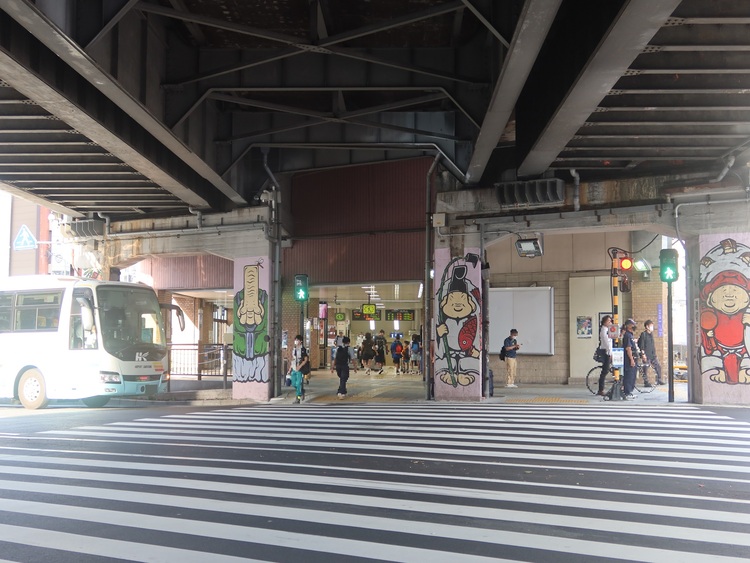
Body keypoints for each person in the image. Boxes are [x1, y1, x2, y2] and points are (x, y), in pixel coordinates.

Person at [638, 319, 664, 386]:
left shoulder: (651, 334)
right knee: (645, 368)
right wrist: (643, 354)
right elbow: (641, 346)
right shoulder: (643, 334)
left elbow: (652, 345)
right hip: (646, 355)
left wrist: (654, 354)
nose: (652, 327)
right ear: (647, 327)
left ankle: (659, 380)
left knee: (658, 366)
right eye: (651, 326)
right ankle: (646, 382)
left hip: (653, 355)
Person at [288, 334, 309, 403]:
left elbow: (305, 359)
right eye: (295, 340)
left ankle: (298, 398)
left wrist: (300, 366)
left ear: (301, 341)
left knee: (298, 384)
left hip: (300, 369)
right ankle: (302, 391)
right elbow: (293, 359)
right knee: (293, 383)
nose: (296, 341)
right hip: (294, 368)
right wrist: (290, 368)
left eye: (297, 340)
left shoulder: (303, 349)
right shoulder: (294, 349)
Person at [597, 315, 614, 396]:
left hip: (608, 352)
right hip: (606, 353)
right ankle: (601, 389)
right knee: (605, 371)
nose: (610, 323)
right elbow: (607, 344)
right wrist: (610, 353)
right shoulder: (604, 331)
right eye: (608, 321)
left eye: (610, 321)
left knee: (607, 370)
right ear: (604, 322)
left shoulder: (607, 330)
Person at [622, 319, 638, 400]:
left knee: (632, 376)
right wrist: (631, 360)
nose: (634, 326)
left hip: (633, 358)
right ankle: (627, 393)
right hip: (629, 359)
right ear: (628, 326)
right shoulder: (628, 335)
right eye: (632, 325)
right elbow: (628, 348)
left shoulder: (630, 335)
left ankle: (629, 392)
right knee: (629, 376)